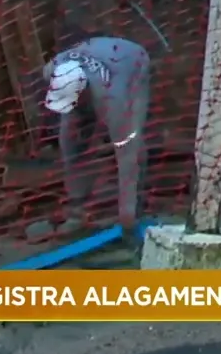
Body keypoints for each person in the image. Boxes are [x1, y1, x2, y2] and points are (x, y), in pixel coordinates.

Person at [42, 35, 152, 237]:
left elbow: (126, 152)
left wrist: (125, 218)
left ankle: (134, 207)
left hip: (131, 61)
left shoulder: (112, 95)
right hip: (101, 55)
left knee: (131, 140)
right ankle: (77, 210)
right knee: (70, 140)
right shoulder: (52, 69)